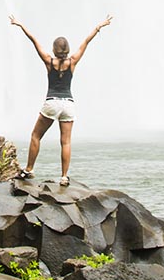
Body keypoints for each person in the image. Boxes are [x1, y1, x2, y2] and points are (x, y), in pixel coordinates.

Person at [8, 13, 113, 186]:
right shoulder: (73, 62)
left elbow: (34, 40)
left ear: (54, 49)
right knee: (66, 141)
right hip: (69, 104)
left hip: (52, 103)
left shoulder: (49, 62)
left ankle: (29, 169)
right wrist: (99, 26)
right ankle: (64, 177)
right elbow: (86, 41)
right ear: (67, 49)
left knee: (36, 136)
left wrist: (20, 25)